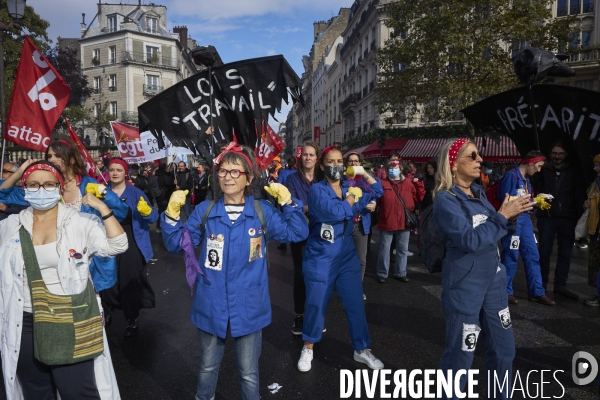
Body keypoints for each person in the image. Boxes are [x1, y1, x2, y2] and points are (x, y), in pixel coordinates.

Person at [161, 143, 308, 400]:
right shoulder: (205, 211)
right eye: (223, 171)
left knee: (249, 372)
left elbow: (298, 232)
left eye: (235, 171)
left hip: (249, 304)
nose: (228, 176)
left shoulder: (262, 212)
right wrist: (171, 217)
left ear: (249, 177)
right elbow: (176, 244)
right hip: (211, 303)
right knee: (207, 368)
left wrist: (288, 203)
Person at [0, 160, 128, 399]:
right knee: (35, 391)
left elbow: (118, 245)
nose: (41, 189)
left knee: (77, 391)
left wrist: (103, 209)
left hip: (71, 319)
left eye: (48, 184)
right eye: (33, 184)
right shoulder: (10, 226)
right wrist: (16, 173)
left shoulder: (79, 222)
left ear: (59, 188)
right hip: (24, 321)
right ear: (24, 189)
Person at [432, 138, 532, 399]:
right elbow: (469, 239)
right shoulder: (446, 200)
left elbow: (494, 232)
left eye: (479, 156)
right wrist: (502, 215)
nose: (480, 160)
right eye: (472, 156)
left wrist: (513, 215)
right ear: (453, 164)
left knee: (504, 350)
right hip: (465, 285)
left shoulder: (478, 193)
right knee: (460, 356)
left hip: (495, 283)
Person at [297, 145, 384, 373]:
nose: (336, 166)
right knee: (316, 303)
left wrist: (363, 173)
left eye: (339, 162)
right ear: (322, 165)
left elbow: (378, 192)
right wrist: (354, 201)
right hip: (321, 255)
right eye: (331, 162)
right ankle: (308, 346)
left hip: (346, 255)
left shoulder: (349, 186)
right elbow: (335, 212)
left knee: (355, 303)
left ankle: (361, 348)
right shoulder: (316, 190)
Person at [101, 158, 158, 337]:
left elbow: (153, 216)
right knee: (105, 278)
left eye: (119, 170)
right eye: (112, 170)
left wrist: (147, 212)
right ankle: (107, 311)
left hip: (132, 240)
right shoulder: (102, 192)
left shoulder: (136, 193)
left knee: (129, 280)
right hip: (107, 240)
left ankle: (131, 318)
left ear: (125, 173)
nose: (115, 173)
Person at [498, 152, 555, 306]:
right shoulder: (512, 176)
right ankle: (506, 291)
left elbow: (523, 199)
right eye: (539, 166)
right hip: (514, 221)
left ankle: (537, 291)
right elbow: (505, 199)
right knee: (511, 254)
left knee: (532, 254)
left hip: (525, 220)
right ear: (531, 162)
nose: (539, 170)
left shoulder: (526, 179)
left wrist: (535, 201)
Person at [531, 142, 586, 300]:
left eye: (560, 153)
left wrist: (578, 216)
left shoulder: (573, 171)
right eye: (554, 153)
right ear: (549, 155)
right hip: (547, 217)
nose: (557, 156)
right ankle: (541, 285)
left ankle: (560, 285)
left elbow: (578, 194)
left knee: (565, 253)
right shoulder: (543, 170)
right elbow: (532, 182)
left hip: (567, 218)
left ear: (566, 155)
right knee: (544, 252)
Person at [284, 141, 320, 335]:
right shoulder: (291, 179)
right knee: (300, 275)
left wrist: (306, 208)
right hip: (299, 234)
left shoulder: (322, 178)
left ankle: (315, 315)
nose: (308, 157)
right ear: (301, 157)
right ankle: (299, 315)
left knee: (318, 276)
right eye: (305, 154)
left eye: (311, 155)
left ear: (316, 158)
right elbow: (292, 207)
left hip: (320, 234)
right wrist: (317, 207)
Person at [376, 159, 425, 283]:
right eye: (391, 168)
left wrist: (419, 184)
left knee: (402, 250)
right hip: (387, 221)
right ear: (387, 170)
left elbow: (419, 197)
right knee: (384, 249)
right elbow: (377, 201)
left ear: (401, 169)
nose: (393, 170)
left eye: (396, 167)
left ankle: (401, 272)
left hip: (404, 222)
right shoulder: (382, 183)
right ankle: (382, 273)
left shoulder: (408, 183)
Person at [345, 151, 383, 300]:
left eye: (356, 161)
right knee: (343, 259)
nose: (353, 164)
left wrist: (365, 174)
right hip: (345, 226)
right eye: (350, 161)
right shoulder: (341, 181)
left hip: (362, 225)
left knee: (361, 260)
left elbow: (378, 192)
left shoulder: (365, 182)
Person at [583, 154, 600, 306]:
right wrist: (586, 205)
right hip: (596, 229)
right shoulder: (595, 184)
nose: (595, 168)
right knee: (596, 263)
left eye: (598, 165)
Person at [152, 163, 176, 233]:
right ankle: (164, 226)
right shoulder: (165, 175)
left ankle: (158, 226)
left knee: (160, 211)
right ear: (165, 168)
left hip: (158, 196)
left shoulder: (156, 174)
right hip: (165, 195)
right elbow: (169, 183)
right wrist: (173, 182)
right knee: (166, 212)